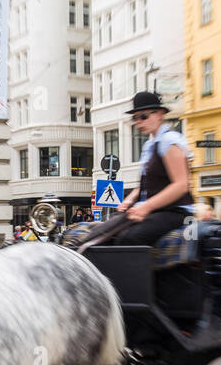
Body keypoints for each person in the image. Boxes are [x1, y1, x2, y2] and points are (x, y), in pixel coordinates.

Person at [77, 92, 194, 250]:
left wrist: (146, 207)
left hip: (176, 212)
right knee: (102, 231)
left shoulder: (170, 140)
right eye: (135, 118)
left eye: (143, 116)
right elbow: (145, 185)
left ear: (160, 114)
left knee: (129, 239)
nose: (138, 122)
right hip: (156, 210)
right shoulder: (150, 145)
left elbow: (181, 185)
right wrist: (128, 201)